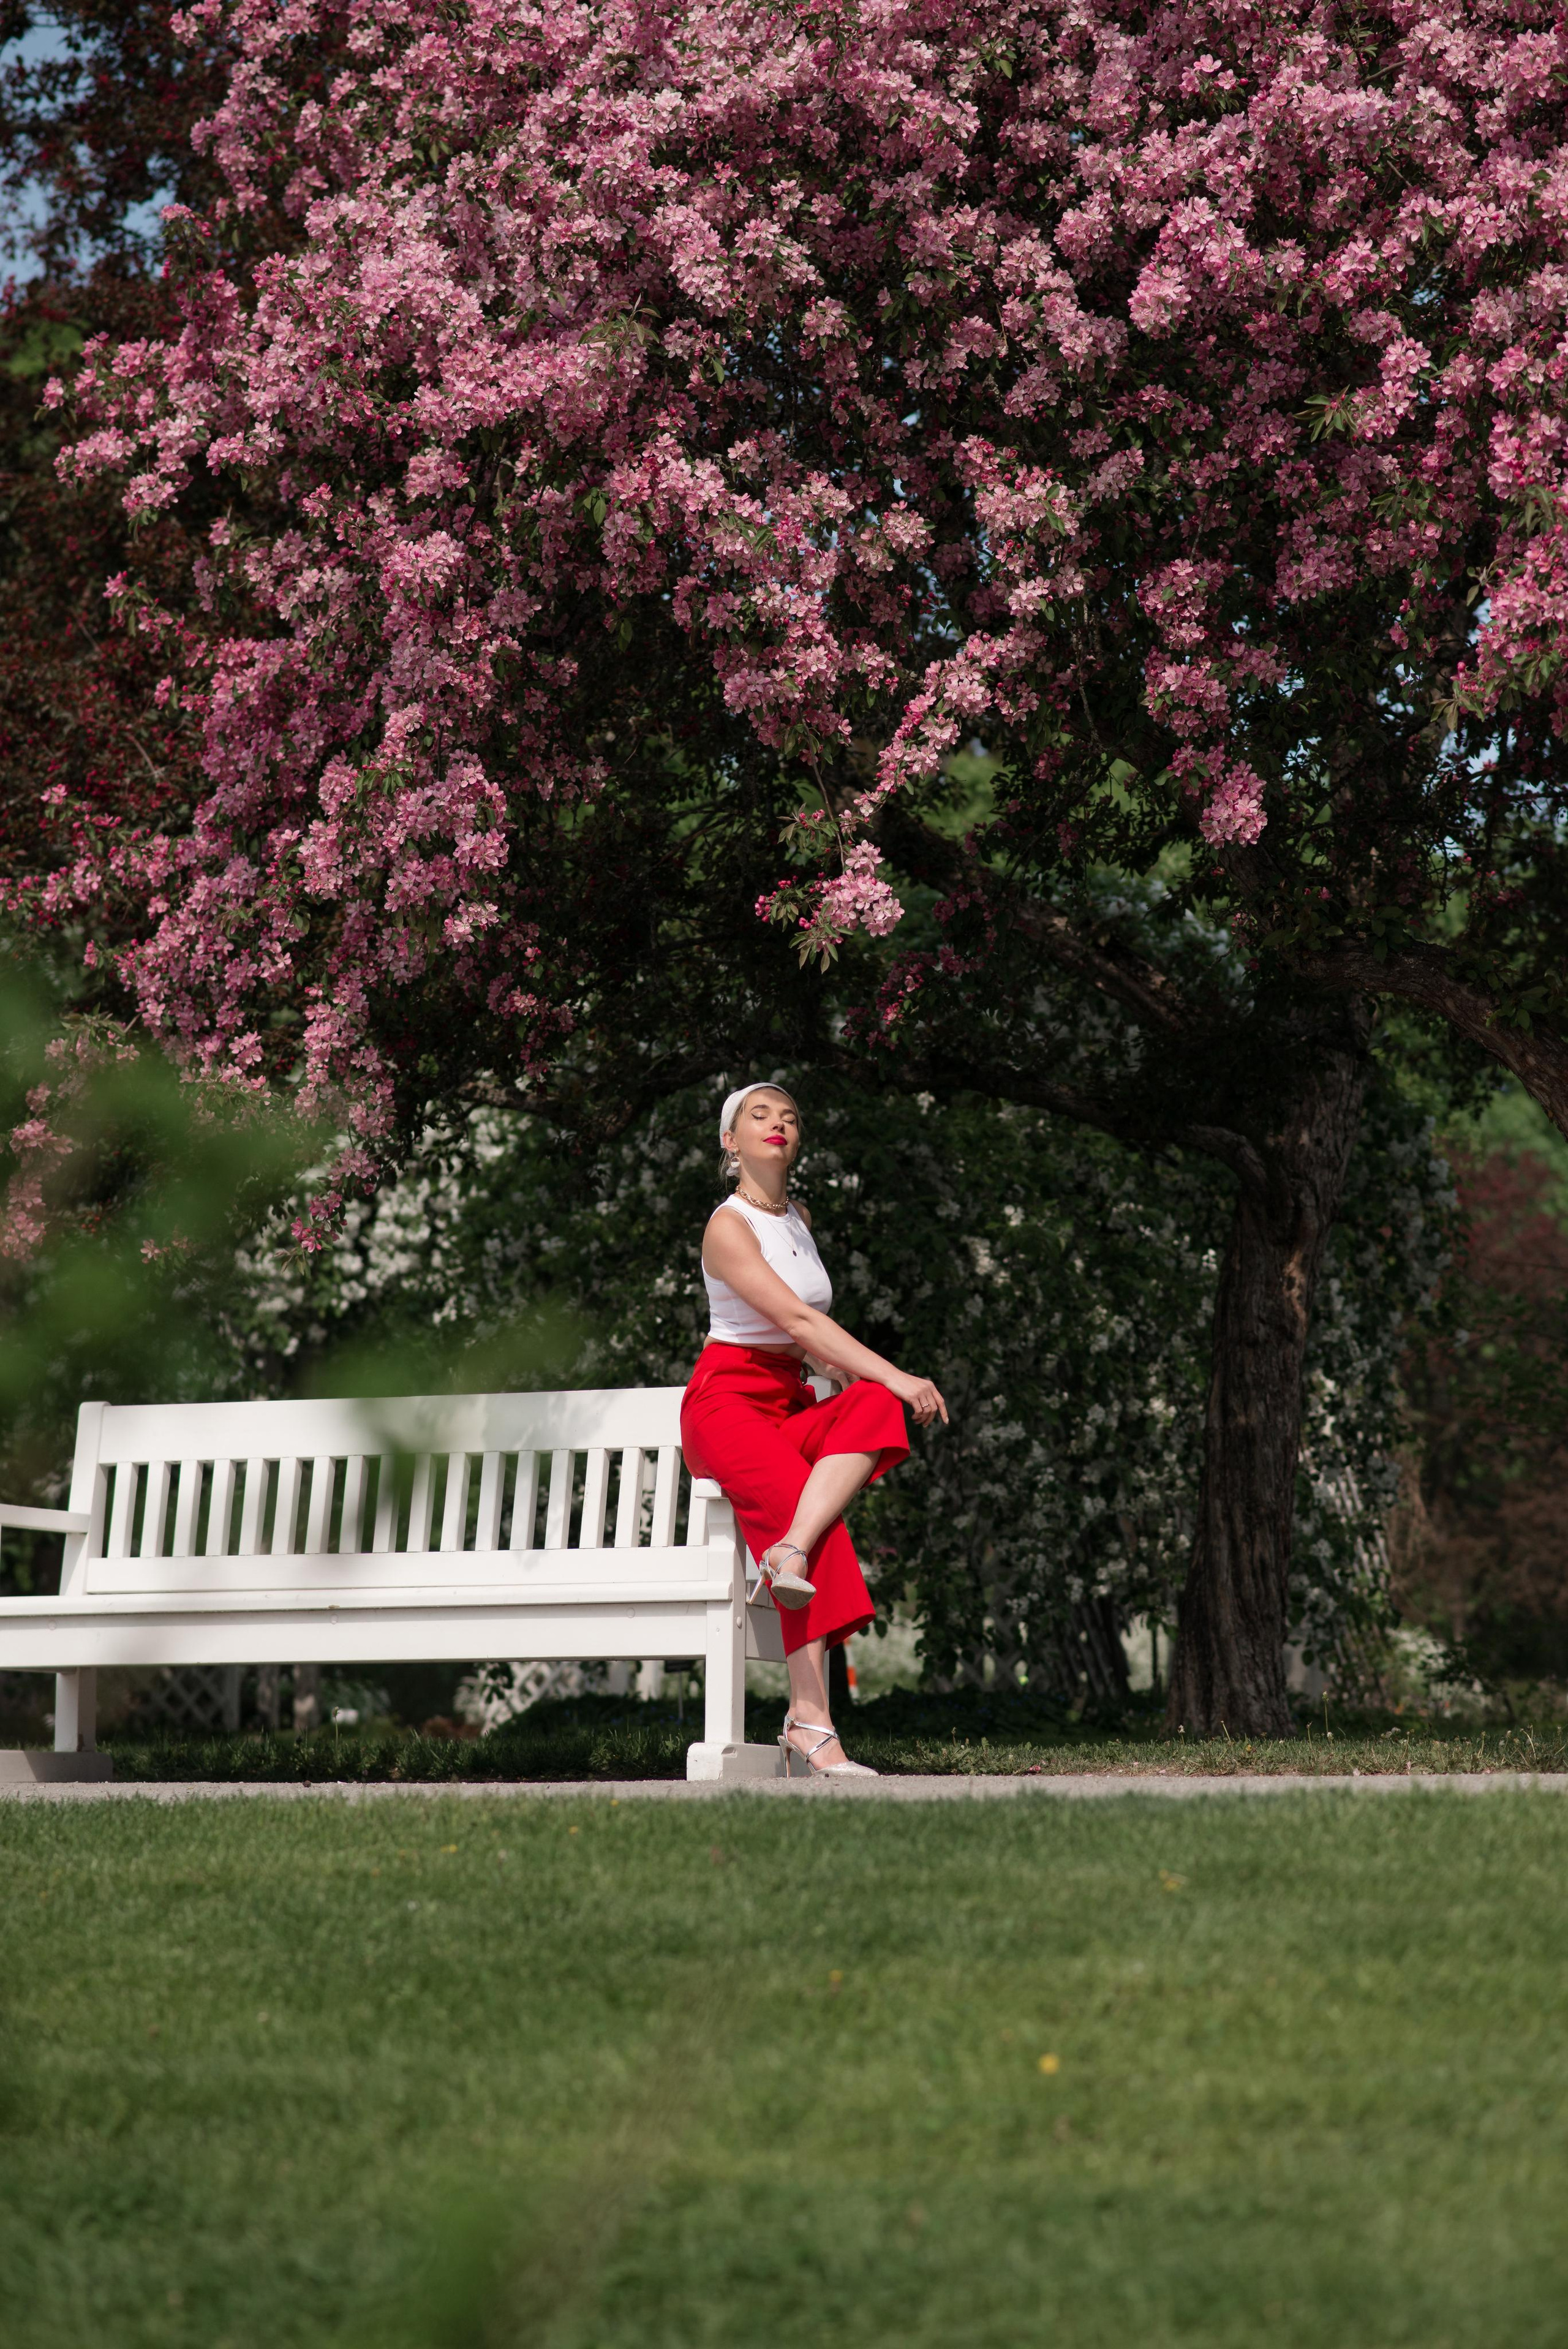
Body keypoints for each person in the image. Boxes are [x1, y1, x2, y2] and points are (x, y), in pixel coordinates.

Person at [679, 1082, 949, 1778]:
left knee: (871, 1411)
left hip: (788, 1398)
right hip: (728, 1404)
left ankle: (789, 1552)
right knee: (820, 1490)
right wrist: (898, 1372)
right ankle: (812, 1721)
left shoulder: (797, 1215)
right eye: (758, 1116)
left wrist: (860, 1381)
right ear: (730, 1141)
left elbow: (810, 1346)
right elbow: (798, 1322)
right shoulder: (727, 1225)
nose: (778, 1124)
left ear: (798, 1140)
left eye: (790, 1116)